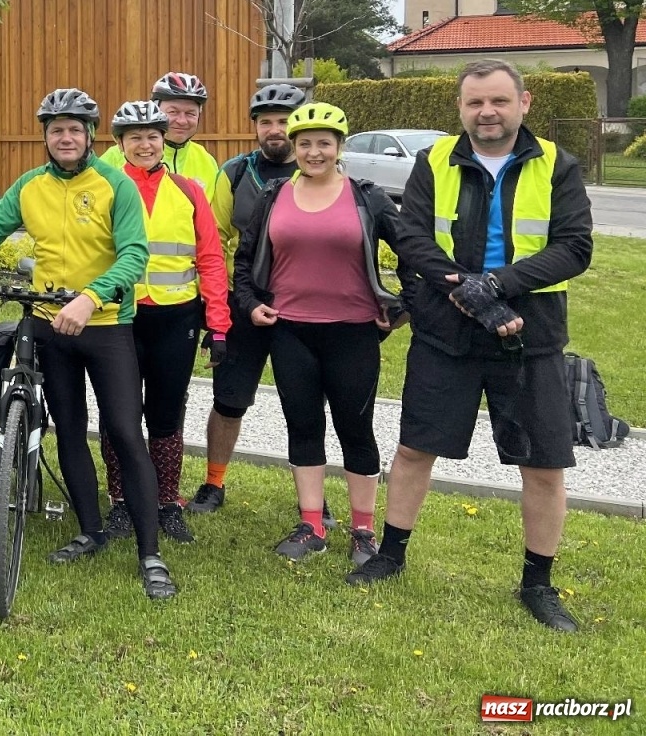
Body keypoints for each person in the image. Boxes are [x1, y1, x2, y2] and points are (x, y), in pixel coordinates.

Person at [346, 61, 594, 631]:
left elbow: (575, 247)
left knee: (543, 464)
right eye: (476, 103)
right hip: (445, 333)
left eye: (500, 102)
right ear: (460, 108)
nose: (488, 113)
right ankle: (391, 554)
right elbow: (409, 237)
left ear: (524, 103)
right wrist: (468, 291)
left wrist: (497, 288)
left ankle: (538, 583)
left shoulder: (558, 164)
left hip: (528, 335)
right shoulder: (434, 161)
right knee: (415, 449)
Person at [0, 89, 178, 601]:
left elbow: (135, 255)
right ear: (45, 136)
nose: (64, 138)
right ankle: (89, 530)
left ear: (90, 136)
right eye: (55, 130)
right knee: (67, 428)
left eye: (73, 129)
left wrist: (91, 299)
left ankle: (150, 551)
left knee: (122, 430)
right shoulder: (30, 186)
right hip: (50, 321)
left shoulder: (115, 184)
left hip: (106, 323)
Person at [233, 103, 406, 565]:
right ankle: (311, 524)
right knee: (303, 426)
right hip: (290, 332)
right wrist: (251, 306)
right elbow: (245, 264)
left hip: (352, 332)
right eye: (305, 144)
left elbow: (413, 252)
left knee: (356, 429)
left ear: (339, 147)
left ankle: (364, 531)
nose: (314, 152)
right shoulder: (273, 197)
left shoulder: (367, 197)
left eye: (323, 144)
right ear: (293, 148)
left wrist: (401, 308)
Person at [98, 101, 230, 546]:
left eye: (152, 135)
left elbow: (210, 259)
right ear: (120, 144)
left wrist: (219, 325)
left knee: (167, 413)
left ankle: (167, 502)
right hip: (120, 316)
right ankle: (121, 501)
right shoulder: (107, 188)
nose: (145, 144)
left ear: (164, 140)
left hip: (176, 316)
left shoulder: (190, 190)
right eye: (134, 137)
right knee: (120, 414)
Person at [190, 82, 306, 513]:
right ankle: (214, 483)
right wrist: (218, 306)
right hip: (244, 299)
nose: (275, 130)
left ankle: (311, 499)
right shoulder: (235, 173)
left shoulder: (324, 170)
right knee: (229, 399)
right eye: (266, 122)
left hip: (304, 306)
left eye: (284, 121)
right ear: (255, 127)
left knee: (305, 402)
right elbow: (213, 241)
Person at [100, 72, 220, 201]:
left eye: (190, 113)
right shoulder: (113, 158)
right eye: (173, 112)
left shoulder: (207, 161)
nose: (182, 121)